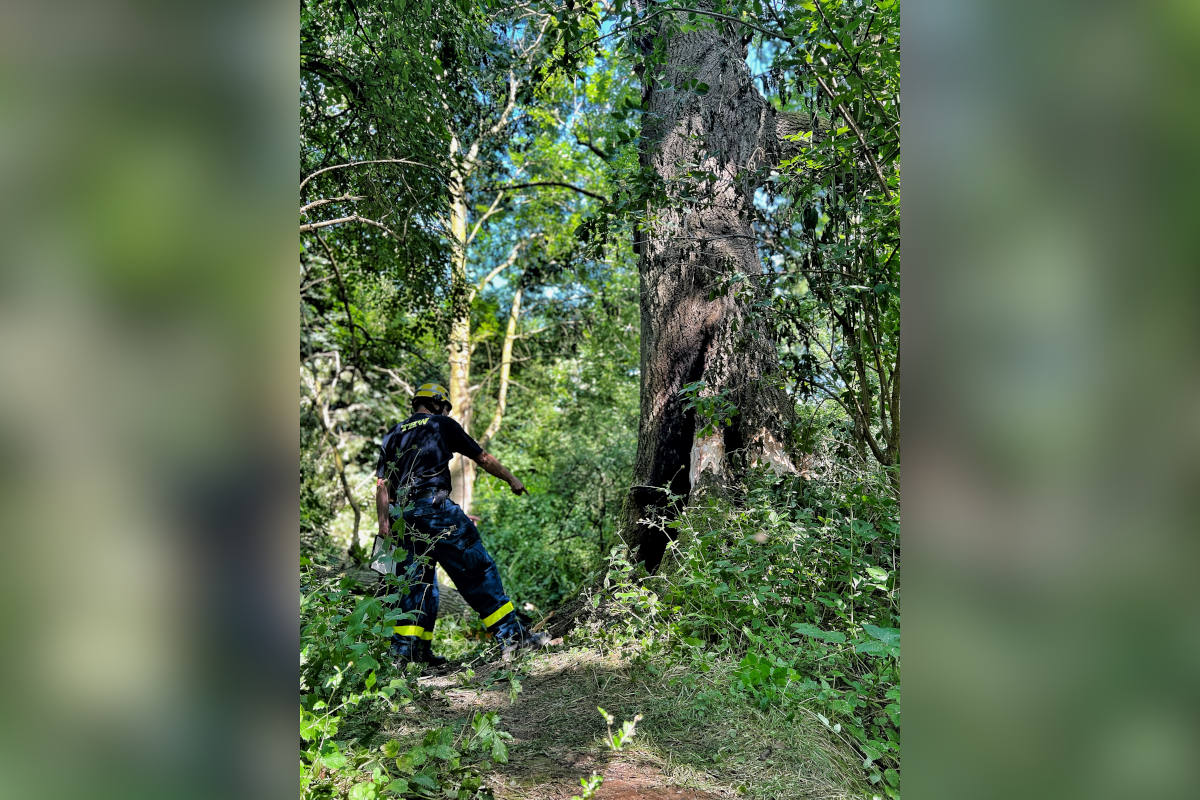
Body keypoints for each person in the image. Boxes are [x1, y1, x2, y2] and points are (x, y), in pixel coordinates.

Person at [375, 381, 548, 666]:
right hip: (435, 510)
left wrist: (384, 526)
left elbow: (383, 485)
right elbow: (482, 457)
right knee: (477, 571)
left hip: (401, 517)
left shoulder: (393, 434)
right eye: (443, 406)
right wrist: (512, 479)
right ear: (438, 404)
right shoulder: (441, 424)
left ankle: (408, 656)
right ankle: (513, 639)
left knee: (415, 586)